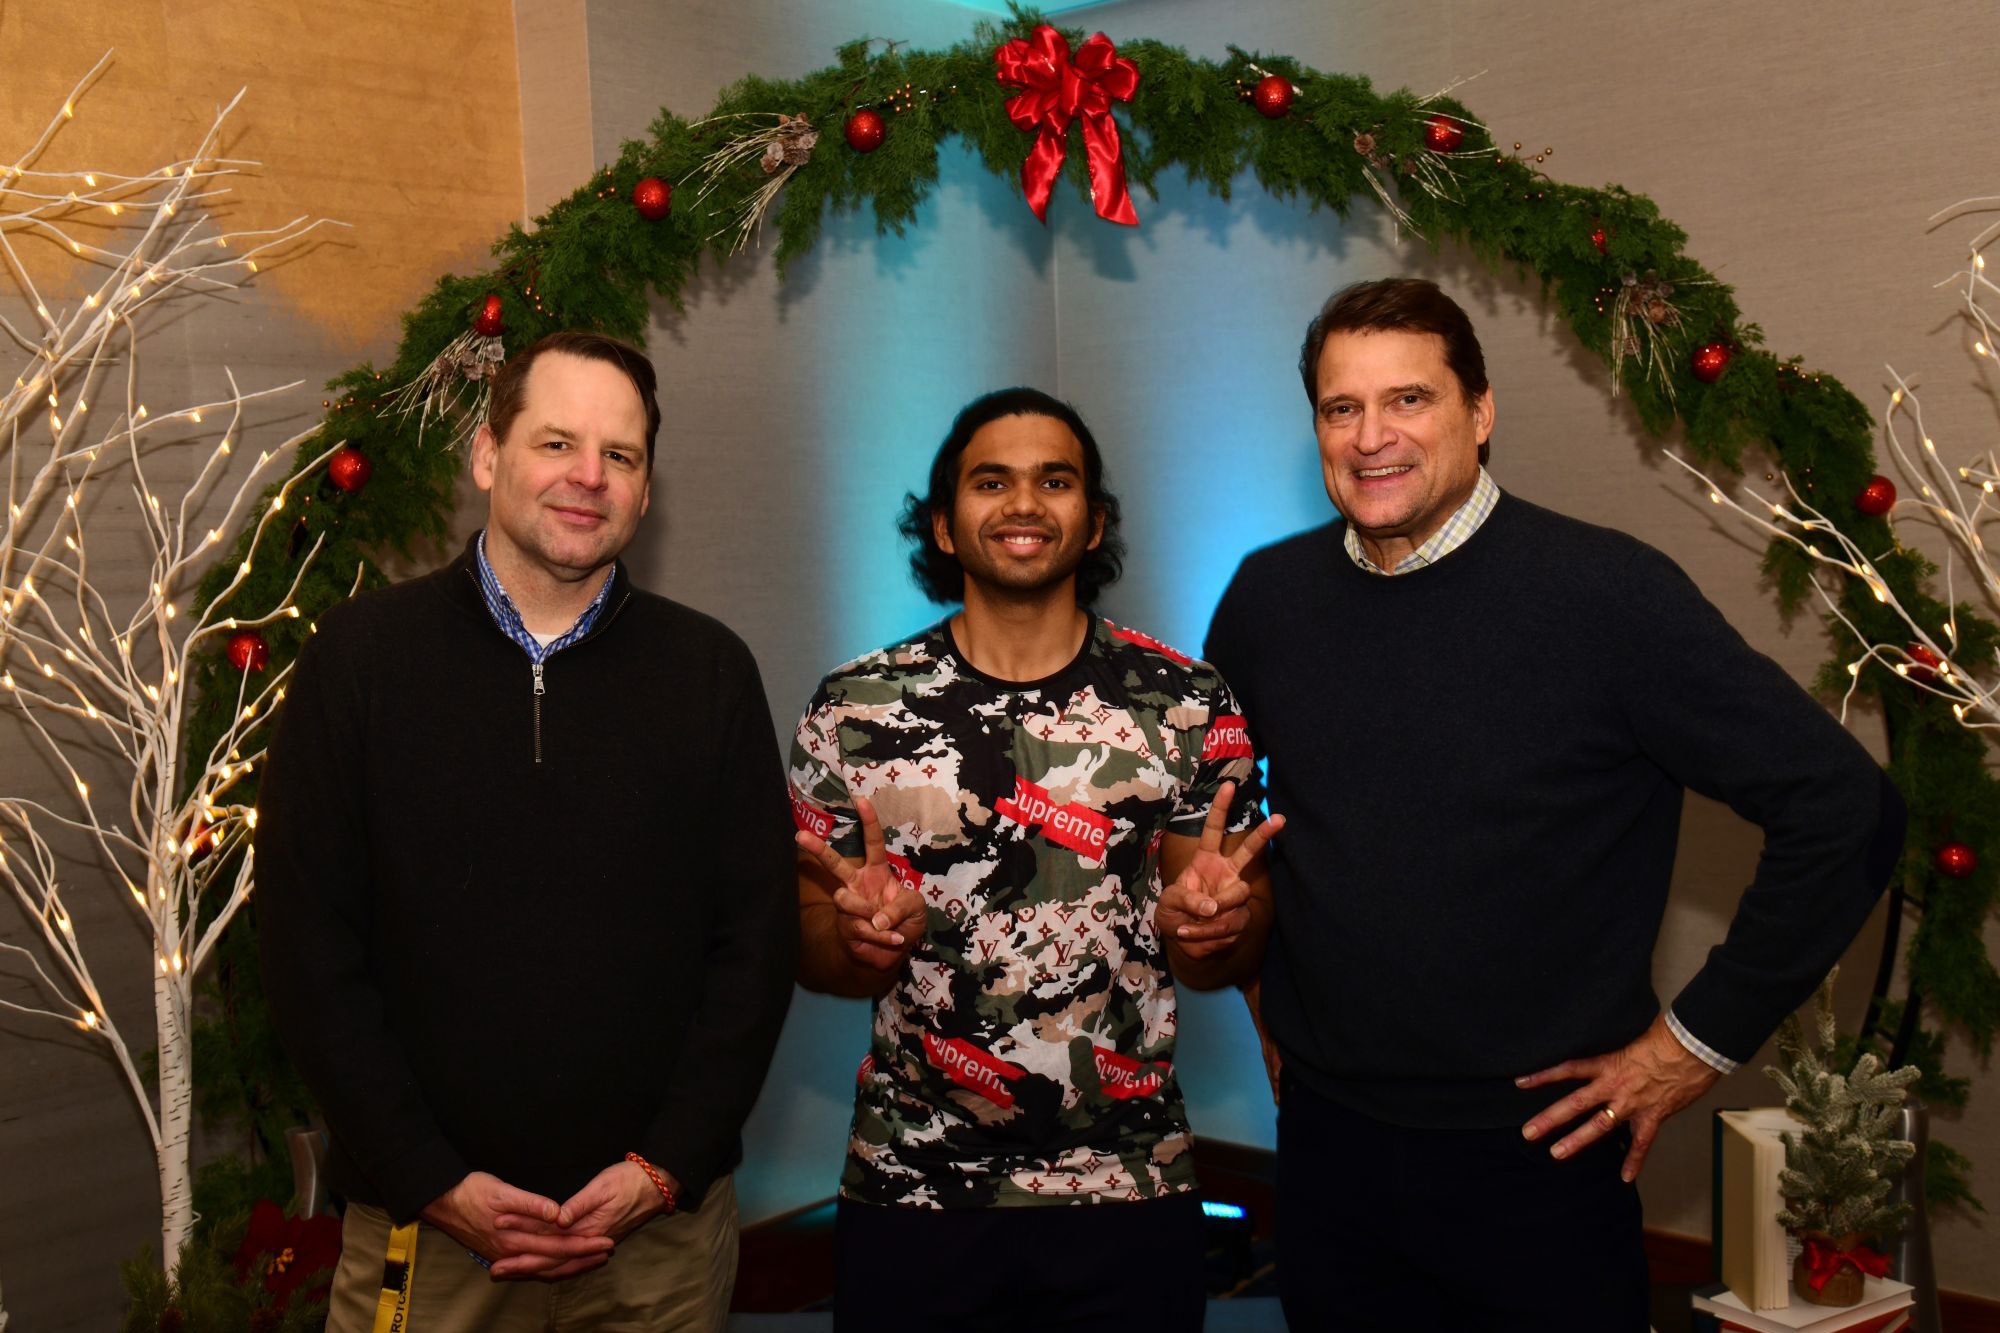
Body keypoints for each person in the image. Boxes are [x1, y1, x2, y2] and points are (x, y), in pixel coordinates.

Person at [1203, 278, 1906, 1331]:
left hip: (1540, 1158)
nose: (1369, 436)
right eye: (1339, 408)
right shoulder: (1266, 597)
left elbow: (1842, 808)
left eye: (1408, 400)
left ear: (1479, 413)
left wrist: (1689, 1046)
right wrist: (1258, 985)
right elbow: (1219, 830)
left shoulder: (1604, 597)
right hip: (1325, 1152)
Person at [256, 330, 797, 1333]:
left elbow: (754, 949)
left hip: (656, 1246)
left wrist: (659, 1166)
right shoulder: (359, 663)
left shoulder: (708, 672)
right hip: (429, 1236)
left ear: (645, 486)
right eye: (555, 443)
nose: (586, 477)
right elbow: (306, 946)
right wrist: (432, 1178)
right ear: (486, 454)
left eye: (620, 455)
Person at [788, 388, 1281, 1332]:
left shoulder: (1183, 700)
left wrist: (1223, 924)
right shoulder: (855, 707)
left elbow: (1220, 953)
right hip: (912, 1189)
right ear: (942, 524)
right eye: (991, 481)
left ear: (1094, 522)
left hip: (1130, 1189)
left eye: (1054, 481)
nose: (1023, 504)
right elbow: (812, 951)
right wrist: (857, 940)